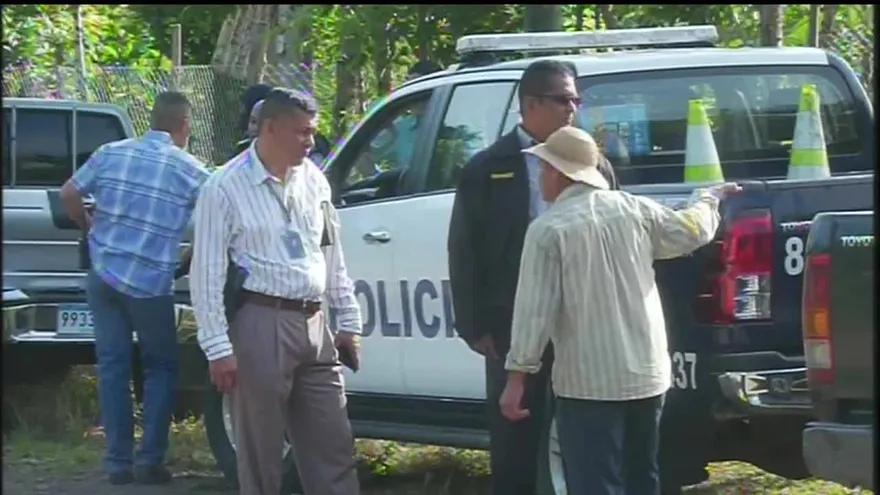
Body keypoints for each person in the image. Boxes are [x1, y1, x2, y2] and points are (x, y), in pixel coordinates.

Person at [499, 125, 742, 495]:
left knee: (596, 483)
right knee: (642, 476)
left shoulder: (548, 230)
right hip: (647, 376)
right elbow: (691, 230)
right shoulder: (636, 210)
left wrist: (517, 378)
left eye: (544, 169)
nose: (540, 178)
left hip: (587, 384)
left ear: (559, 173)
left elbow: (535, 311)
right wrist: (708, 199)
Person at [447, 59, 618, 495]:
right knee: (516, 436)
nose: (572, 109)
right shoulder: (488, 168)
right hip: (513, 322)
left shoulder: (596, 166)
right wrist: (474, 324)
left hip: (583, 321)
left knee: (586, 436)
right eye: (563, 99)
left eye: (576, 99)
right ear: (531, 104)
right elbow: (464, 253)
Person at [189, 87, 362, 495]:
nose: (310, 141)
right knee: (262, 452)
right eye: (302, 132)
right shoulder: (225, 187)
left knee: (333, 443)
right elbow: (207, 273)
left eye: (312, 132)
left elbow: (332, 254)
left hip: (314, 323)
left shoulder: (314, 180)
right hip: (261, 322)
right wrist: (217, 347)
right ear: (270, 128)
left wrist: (348, 320)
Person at [58, 91, 209, 486]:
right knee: (160, 366)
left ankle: (117, 463)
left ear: (152, 119)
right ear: (184, 125)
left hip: (104, 273)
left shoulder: (111, 152)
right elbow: (220, 212)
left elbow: (69, 193)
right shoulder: (190, 168)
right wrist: (192, 253)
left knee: (112, 367)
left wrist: (89, 227)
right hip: (150, 283)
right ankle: (150, 459)